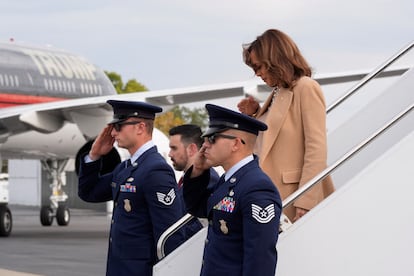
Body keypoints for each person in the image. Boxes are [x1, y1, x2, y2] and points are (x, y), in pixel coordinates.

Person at [237, 29, 335, 223]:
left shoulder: (305, 87)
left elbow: (316, 148)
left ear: (275, 59)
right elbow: (272, 141)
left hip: (293, 199)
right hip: (272, 197)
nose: (257, 74)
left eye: (258, 67)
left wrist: (305, 200)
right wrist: (255, 115)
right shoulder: (278, 93)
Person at [78, 100, 185, 276]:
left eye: (119, 126)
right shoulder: (126, 168)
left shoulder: (156, 170)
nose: (113, 132)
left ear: (140, 127)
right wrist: (94, 155)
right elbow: (89, 192)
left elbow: (169, 236)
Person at [183, 104, 282, 275]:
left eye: (212, 138)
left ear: (236, 143)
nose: (204, 145)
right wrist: (198, 171)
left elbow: (260, 260)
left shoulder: (257, 187)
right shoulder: (230, 180)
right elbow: (197, 207)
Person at [168, 124, 219, 238]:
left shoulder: (208, 181)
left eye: (174, 148)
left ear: (191, 149)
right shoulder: (187, 179)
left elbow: (201, 227)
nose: (170, 154)